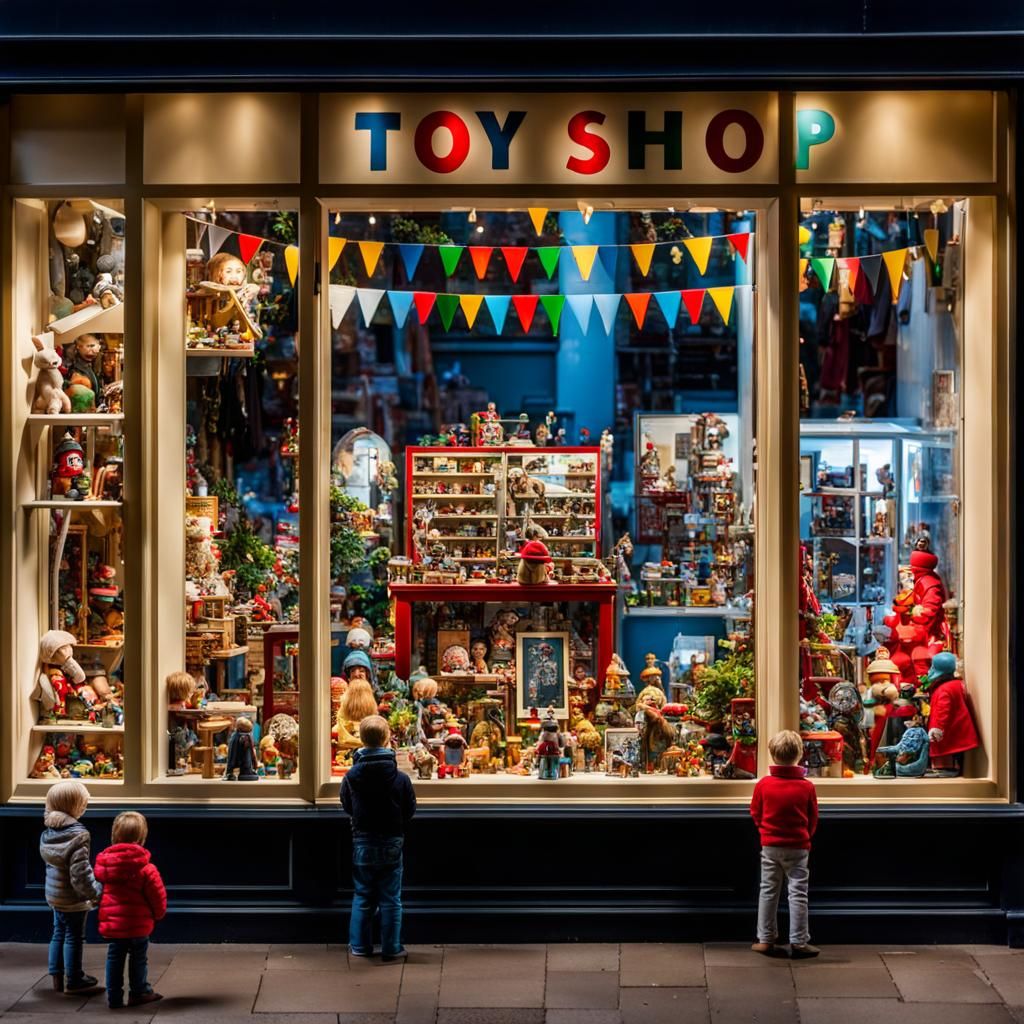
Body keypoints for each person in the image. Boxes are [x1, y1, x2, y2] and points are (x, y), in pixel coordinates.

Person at [340, 715, 416, 961]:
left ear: (361, 739)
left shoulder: (352, 775)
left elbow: (346, 804)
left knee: (363, 895)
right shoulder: (400, 778)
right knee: (391, 899)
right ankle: (391, 948)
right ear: (386, 739)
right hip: (392, 840)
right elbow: (410, 808)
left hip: (363, 840)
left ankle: (359, 946)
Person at [750, 730, 820, 959]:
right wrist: (805, 837)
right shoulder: (807, 787)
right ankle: (799, 941)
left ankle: (765, 939)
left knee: (768, 891)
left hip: (770, 845)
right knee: (798, 893)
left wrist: (764, 832)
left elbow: (755, 812)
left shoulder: (763, 785)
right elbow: (813, 818)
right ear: (799, 754)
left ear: (772, 755)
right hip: (798, 846)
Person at [95, 811, 167, 1008]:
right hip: (138, 924)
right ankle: (139, 991)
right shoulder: (146, 868)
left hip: (115, 924)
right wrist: (158, 914)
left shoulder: (106, 865)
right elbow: (157, 895)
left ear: (114, 835)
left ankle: (114, 996)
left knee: (114, 957)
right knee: (138, 958)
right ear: (141, 837)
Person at [39, 780, 103, 994]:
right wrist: (95, 893)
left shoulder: (48, 832)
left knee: (58, 932)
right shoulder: (79, 835)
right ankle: (74, 978)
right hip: (73, 898)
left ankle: (56, 975)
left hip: (54, 895)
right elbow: (80, 874)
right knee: (75, 936)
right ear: (75, 806)